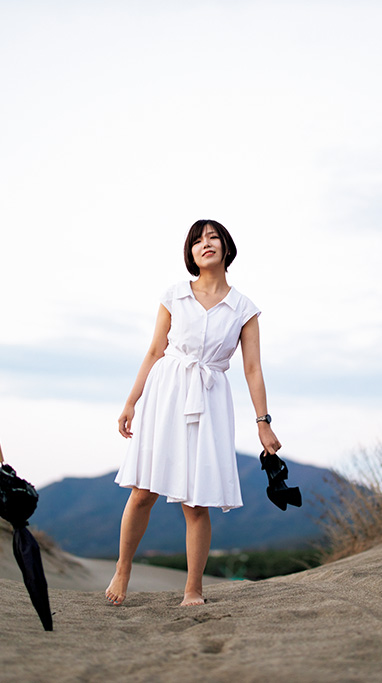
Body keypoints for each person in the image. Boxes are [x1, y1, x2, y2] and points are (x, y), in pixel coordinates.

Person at [106, 219, 282, 607]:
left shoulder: (244, 309)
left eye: (214, 238)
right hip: (167, 392)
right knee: (142, 492)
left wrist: (263, 422)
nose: (206, 244)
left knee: (197, 501)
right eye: (198, 240)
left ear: (226, 248)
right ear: (190, 252)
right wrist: (131, 402)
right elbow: (154, 351)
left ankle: (193, 589)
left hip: (210, 399)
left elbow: (253, 368)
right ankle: (122, 569)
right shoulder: (174, 295)